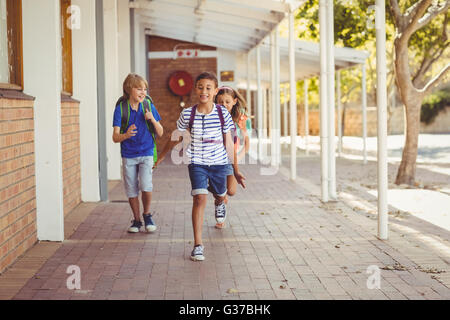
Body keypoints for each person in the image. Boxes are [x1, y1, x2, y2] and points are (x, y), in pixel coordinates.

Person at [156, 72, 245, 261]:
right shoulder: (188, 113)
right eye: (200, 87)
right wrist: (162, 157)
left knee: (221, 193)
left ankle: (220, 202)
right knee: (199, 199)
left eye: (208, 88)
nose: (203, 91)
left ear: (214, 91)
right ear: (195, 89)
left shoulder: (222, 113)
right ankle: (198, 245)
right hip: (197, 162)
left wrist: (236, 171)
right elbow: (177, 136)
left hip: (220, 163)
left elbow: (229, 143)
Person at [112, 73, 163, 233]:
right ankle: (136, 220)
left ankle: (147, 214)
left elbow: (160, 132)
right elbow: (115, 137)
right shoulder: (121, 109)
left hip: (147, 151)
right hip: (129, 154)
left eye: (145, 89)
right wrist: (126, 135)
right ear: (129, 89)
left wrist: (152, 120)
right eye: (139, 89)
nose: (143, 92)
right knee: (132, 188)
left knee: (146, 185)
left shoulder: (147, 105)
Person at [214, 86, 251, 228]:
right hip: (216, 158)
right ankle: (220, 205)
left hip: (231, 158)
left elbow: (247, 144)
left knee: (231, 191)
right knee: (219, 192)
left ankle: (221, 197)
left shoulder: (240, 118)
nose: (223, 105)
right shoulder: (213, 116)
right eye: (220, 102)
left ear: (235, 101)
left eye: (227, 102)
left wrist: (237, 158)